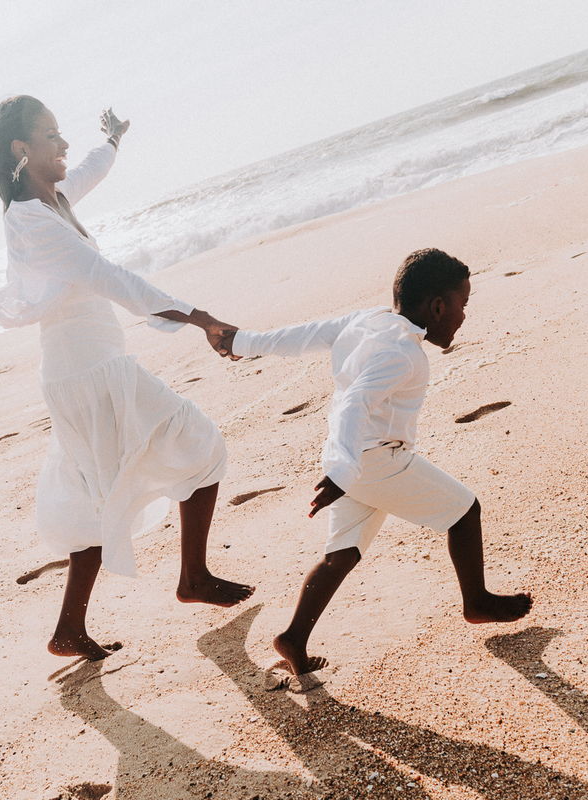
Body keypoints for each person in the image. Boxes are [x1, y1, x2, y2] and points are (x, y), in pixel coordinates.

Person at [0, 95, 253, 662]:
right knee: (201, 443)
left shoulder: (54, 198)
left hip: (85, 368)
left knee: (95, 497)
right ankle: (193, 577)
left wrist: (113, 138)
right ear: (22, 149)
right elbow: (105, 275)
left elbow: (90, 167)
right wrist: (201, 318)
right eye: (51, 135)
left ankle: (69, 629)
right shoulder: (31, 221)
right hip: (89, 372)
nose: (62, 144)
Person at [218, 248, 532, 681]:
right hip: (374, 459)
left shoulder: (370, 320)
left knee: (341, 555)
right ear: (437, 307)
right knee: (464, 511)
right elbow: (354, 402)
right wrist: (342, 472)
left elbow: (305, 335)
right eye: (463, 305)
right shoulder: (403, 352)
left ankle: (293, 637)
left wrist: (242, 342)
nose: (463, 316)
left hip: (354, 457)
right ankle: (476, 602)